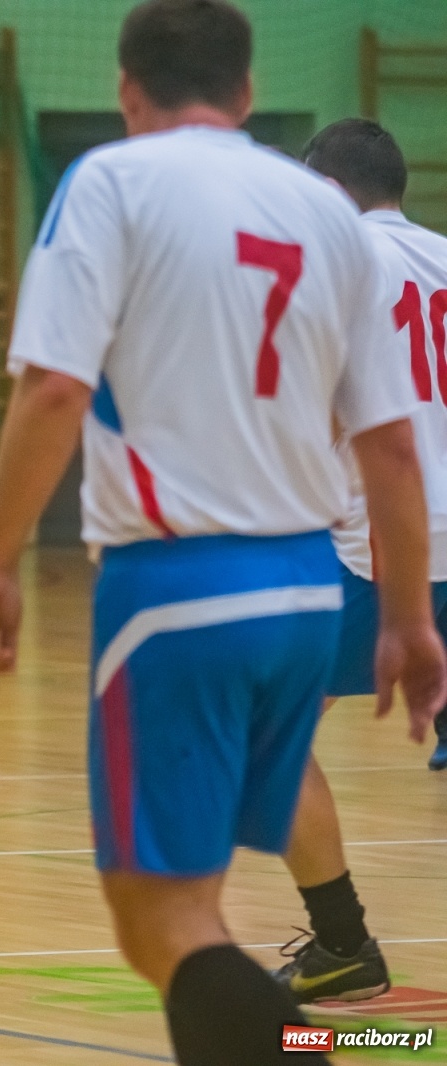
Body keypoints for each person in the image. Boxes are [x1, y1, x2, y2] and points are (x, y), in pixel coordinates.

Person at [0, 3, 446, 1063]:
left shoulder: (112, 183)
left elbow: (50, 393)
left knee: (160, 923)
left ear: (130, 90)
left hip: (180, 593)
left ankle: (303, 1051)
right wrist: (406, 615)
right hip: (307, 593)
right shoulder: (321, 212)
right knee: (197, 907)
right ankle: (316, 1031)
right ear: (248, 89)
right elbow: (392, 446)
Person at [269, 119, 447, 1005]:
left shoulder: (334, 267)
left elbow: (315, 418)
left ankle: (342, 943)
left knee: (272, 736)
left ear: (327, 191)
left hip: (382, 548)